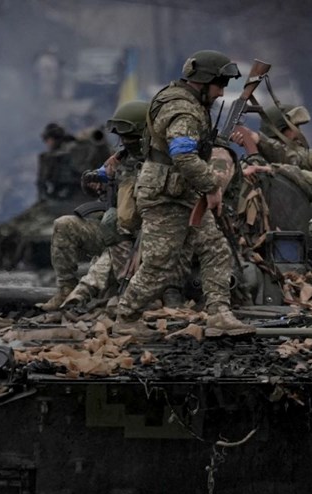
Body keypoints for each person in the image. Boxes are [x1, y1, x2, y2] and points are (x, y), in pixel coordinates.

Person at [112, 50, 252, 337]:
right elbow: (183, 155)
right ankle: (126, 317)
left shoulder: (183, 100)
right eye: (219, 84)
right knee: (159, 265)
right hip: (166, 196)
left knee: (215, 248)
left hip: (182, 191)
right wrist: (211, 186)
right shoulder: (183, 110)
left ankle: (219, 313)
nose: (221, 92)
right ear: (203, 82)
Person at [42, 100, 148, 310]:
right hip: (113, 230)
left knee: (108, 251)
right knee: (65, 224)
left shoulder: (159, 162)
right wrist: (93, 183)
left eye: (130, 137)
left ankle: (102, 294)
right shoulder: (118, 161)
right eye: (123, 137)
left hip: (146, 237)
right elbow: (99, 176)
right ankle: (66, 288)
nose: (125, 141)